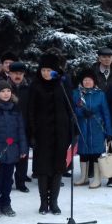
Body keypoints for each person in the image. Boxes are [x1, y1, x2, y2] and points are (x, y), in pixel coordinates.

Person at [28, 53, 74, 215]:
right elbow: (30, 112)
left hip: (60, 133)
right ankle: (43, 203)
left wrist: (71, 131)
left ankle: (54, 202)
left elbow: (70, 109)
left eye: (49, 70)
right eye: (44, 70)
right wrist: (32, 134)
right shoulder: (35, 86)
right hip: (42, 135)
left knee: (57, 169)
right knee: (43, 170)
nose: (46, 73)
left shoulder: (62, 85)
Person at [0, 81, 28, 217]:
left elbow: (21, 130)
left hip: (12, 150)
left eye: (8, 91)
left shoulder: (16, 109)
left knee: (8, 180)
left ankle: (6, 203)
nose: (6, 94)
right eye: (3, 91)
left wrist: (23, 149)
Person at [72, 68, 112, 188]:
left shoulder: (100, 94)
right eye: (85, 80)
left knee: (96, 153)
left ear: (94, 82)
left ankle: (97, 178)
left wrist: (109, 131)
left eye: (89, 80)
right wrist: (81, 113)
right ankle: (83, 177)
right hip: (83, 127)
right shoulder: (76, 93)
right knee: (83, 153)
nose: (87, 82)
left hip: (97, 128)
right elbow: (72, 109)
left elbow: (106, 113)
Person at [7, 61, 32, 192]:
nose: (18, 76)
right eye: (15, 73)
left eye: (20, 73)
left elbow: (32, 108)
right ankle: (8, 180)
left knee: (23, 156)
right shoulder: (3, 87)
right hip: (7, 127)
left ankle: (21, 182)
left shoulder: (28, 87)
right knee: (8, 155)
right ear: (9, 73)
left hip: (24, 127)